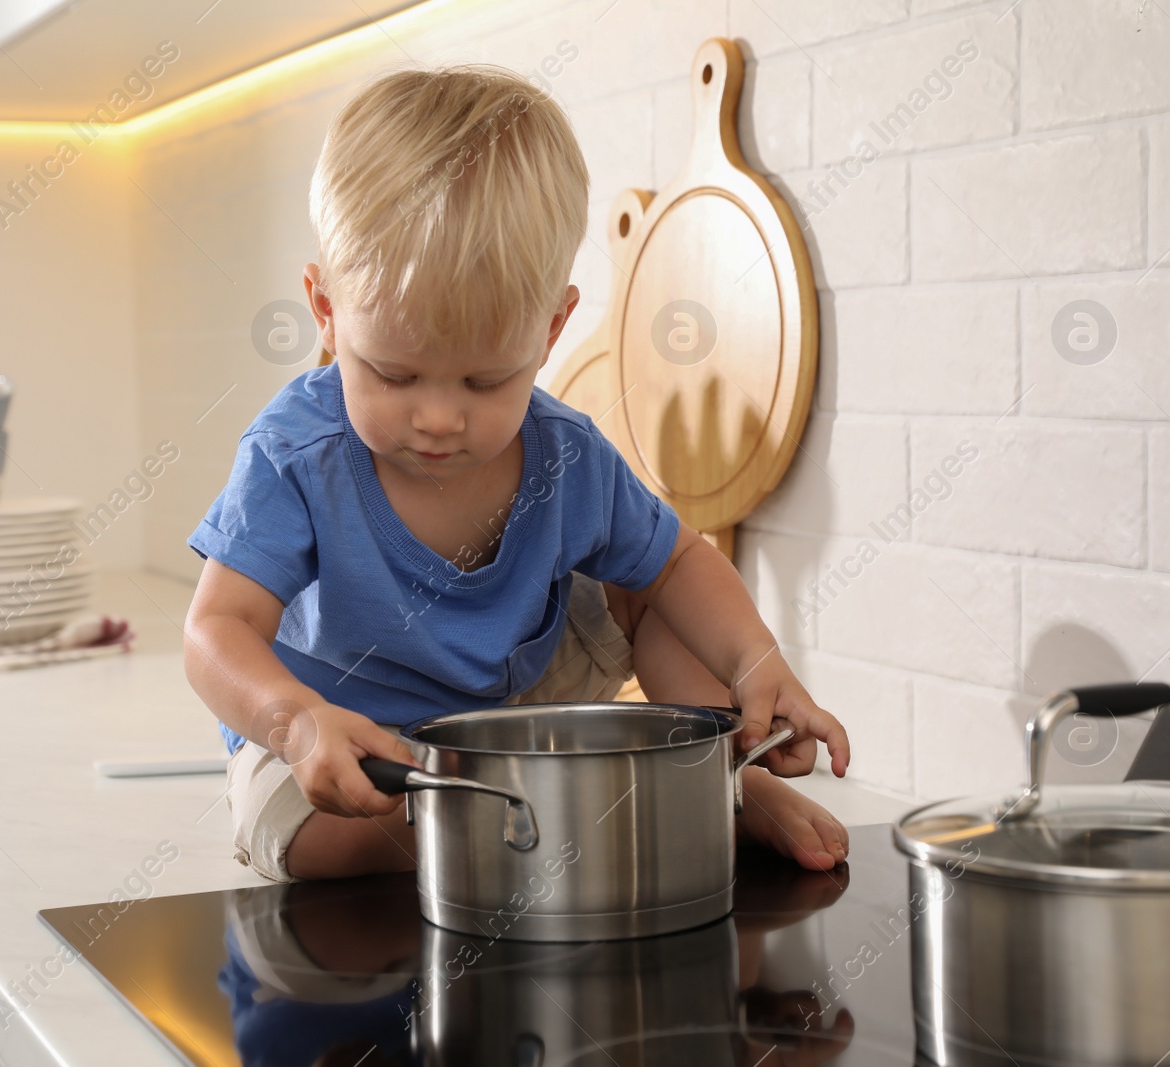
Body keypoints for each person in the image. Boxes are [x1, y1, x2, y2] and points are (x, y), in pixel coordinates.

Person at [183, 63, 851, 885]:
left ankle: (719, 783)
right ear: (325, 311)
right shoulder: (297, 455)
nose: (437, 417)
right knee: (334, 850)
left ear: (553, 328)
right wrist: (293, 723)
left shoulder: (565, 453)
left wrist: (757, 667)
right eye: (392, 374)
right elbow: (214, 632)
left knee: (654, 579)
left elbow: (680, 559)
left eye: (484, 381)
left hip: (517, 730)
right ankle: (583, 815)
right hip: (342, 741)